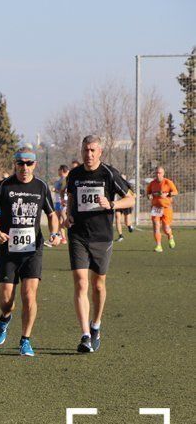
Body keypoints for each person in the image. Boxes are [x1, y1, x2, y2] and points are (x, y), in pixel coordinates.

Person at [0, 148, 60, 356]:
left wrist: (54, 232)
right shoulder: (5, 186)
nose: (24, 167)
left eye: (29, 163)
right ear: (15, 164)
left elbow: (52, 214)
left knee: (29, 295)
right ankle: (4, 319)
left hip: (32, 250)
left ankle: (25, 339)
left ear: (35, 165)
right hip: (8, 249)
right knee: (6, 300)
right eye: (20, 163)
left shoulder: (41, 187)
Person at [63, 135, 135, 353]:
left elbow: (131, 198)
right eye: (86, 150)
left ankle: (96, 325)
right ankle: (85, 335)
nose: (89, 154)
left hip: (101, 236)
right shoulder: (74, 175)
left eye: (93, 150)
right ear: (82, 151)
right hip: (78, 235)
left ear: (100, 152)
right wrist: (68, 215)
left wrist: (111, 203)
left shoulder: (109, 173)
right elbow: (71, 200)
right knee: (81, 283)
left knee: (98, 285)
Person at [146, 166, 178, 252]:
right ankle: (159, 246)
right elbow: (148, 194)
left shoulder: (168, 182)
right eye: (156, 173)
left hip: (166, 208)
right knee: (156, 226)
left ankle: (170, 236)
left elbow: (175, 192)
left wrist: (167, 194)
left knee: (166, 228)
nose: (158, 174)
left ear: (163, 174)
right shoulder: (152, 183)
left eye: (159, 173)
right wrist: (149, 196)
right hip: (156, 208)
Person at [53, 165, 70, 244]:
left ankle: (61, 236)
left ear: (62, 170)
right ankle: (61, 237)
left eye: (59, 170)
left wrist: (55, 189)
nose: (58, 171)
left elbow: (63, 190)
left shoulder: (65, 179)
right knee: (59, 220)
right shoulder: (60, 180)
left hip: (62, 201)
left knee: (63, 219)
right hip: (58, 201)